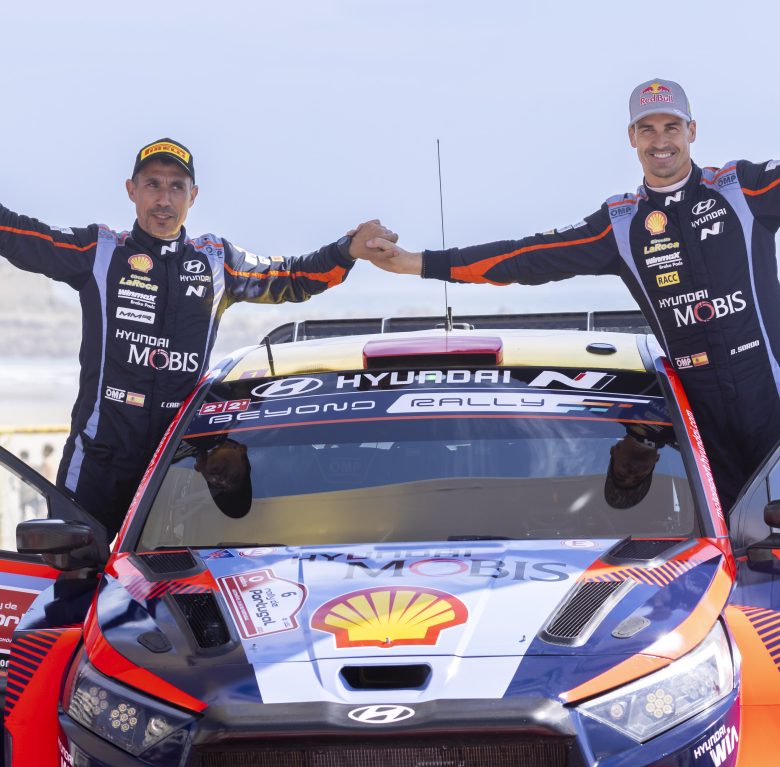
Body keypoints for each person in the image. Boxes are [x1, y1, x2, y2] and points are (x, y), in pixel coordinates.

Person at [367, 79, 780, 513]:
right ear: (632, 137)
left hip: (771, 401)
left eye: (671, 127)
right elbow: (525, 257)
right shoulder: (621, 223)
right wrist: (417, 263)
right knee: (736, 538)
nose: (660, 141)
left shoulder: (740, 188)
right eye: (647, 129)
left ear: (691, 130)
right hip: (701, 422)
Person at [0, 137, 396, 537]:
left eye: (177, 187)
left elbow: (293, 277)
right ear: (131, 190)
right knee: (70, 569)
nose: (164, 200)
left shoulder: (216, 261)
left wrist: (347, 250)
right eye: (153, 184)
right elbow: (17, 234)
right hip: (96, 463)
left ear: (193, 196)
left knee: (167, 574)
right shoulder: (100, 251)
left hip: (175, 465)